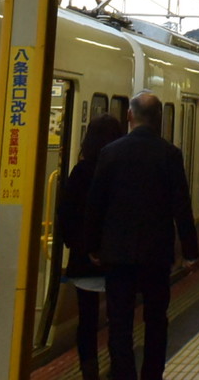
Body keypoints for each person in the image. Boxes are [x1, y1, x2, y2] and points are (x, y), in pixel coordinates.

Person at [85, 91, 199, 380]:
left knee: (119, 322)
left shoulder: (110, 153)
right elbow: (181, 207)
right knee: (156, 320)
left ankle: (124, 374)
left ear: (129, 115)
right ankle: (152, 375)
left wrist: (93, 246)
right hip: (156, 255)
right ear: (159, 118)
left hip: (118, 254)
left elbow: (96, 204)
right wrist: (190, 252)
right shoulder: (170, 154)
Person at [58, 114, 126, 380]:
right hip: (117, 261)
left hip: (84, 263)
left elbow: (66, 216)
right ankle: (118, 368)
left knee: (86, 321)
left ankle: (89, 371)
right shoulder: (122, 173)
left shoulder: (80, 172)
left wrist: (81, 247)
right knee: (118, 319)